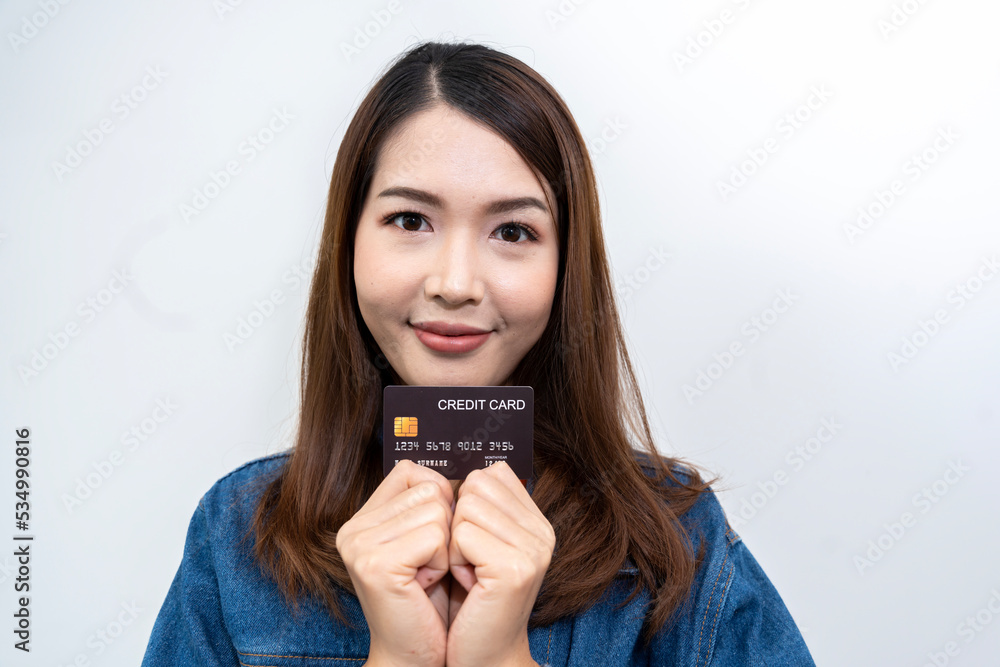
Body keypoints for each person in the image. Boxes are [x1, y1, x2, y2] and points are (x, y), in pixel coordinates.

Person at [141, 40, 815, 666]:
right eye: (410, 220)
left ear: (565, 266)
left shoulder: (678, 539)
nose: (455, 283)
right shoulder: (236, 533)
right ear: (348, 244)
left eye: (513, 231)